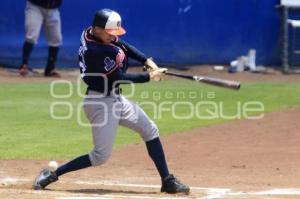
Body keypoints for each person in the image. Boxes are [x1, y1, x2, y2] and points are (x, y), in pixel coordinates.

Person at [32, 9, 190, 194]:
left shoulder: (94, 34)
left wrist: (147, 60)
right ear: (98, 29)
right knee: (100, 156)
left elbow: (123, 46)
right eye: (110, 33)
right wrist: (150, 76)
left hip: (115, 98)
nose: (113, 37)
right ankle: (52, 174)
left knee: (150, 130)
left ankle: (167, 180)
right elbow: (118, 78)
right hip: (100, 103)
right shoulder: (95, 51)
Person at [19, 0, 62, 77]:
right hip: (35, 6)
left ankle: (50, 68)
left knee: (56, 38)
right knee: (31, 35)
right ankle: (24, 65)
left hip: (53, 9)